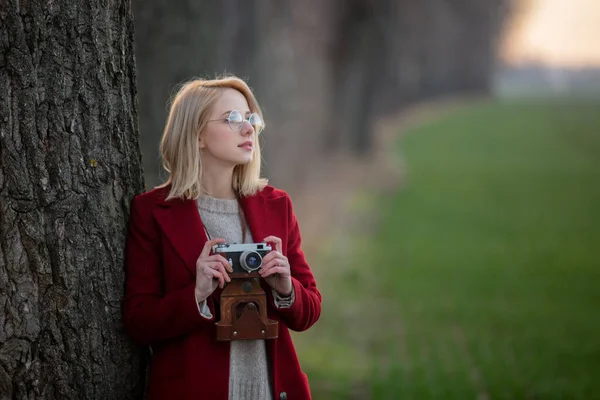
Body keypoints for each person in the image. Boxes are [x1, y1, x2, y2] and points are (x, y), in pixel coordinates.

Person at [122, 76, 322, 400]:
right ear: (197, 134)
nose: (249, 129)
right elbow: (138, 320)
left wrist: (286, 289)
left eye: (251, 119)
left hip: (272, 391)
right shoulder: (152, 211)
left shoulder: (276, 204)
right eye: (233, 119)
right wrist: (196, 294)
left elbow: (310, 309)